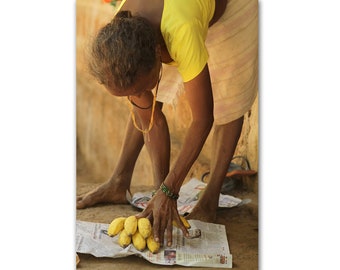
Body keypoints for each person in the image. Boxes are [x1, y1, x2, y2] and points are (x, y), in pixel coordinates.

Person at [77, 0, 258, 246]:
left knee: (230, 97)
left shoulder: (180, 30)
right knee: (144, 101)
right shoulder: (123, 27)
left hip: (234, 7)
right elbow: (150, 118)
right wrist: (159, 192)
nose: (136, 96)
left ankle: (211, 197)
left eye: (139, 88)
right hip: (175, 21)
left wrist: (170, 190)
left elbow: (203, 119)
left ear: (157, 53)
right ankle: (120, 181)